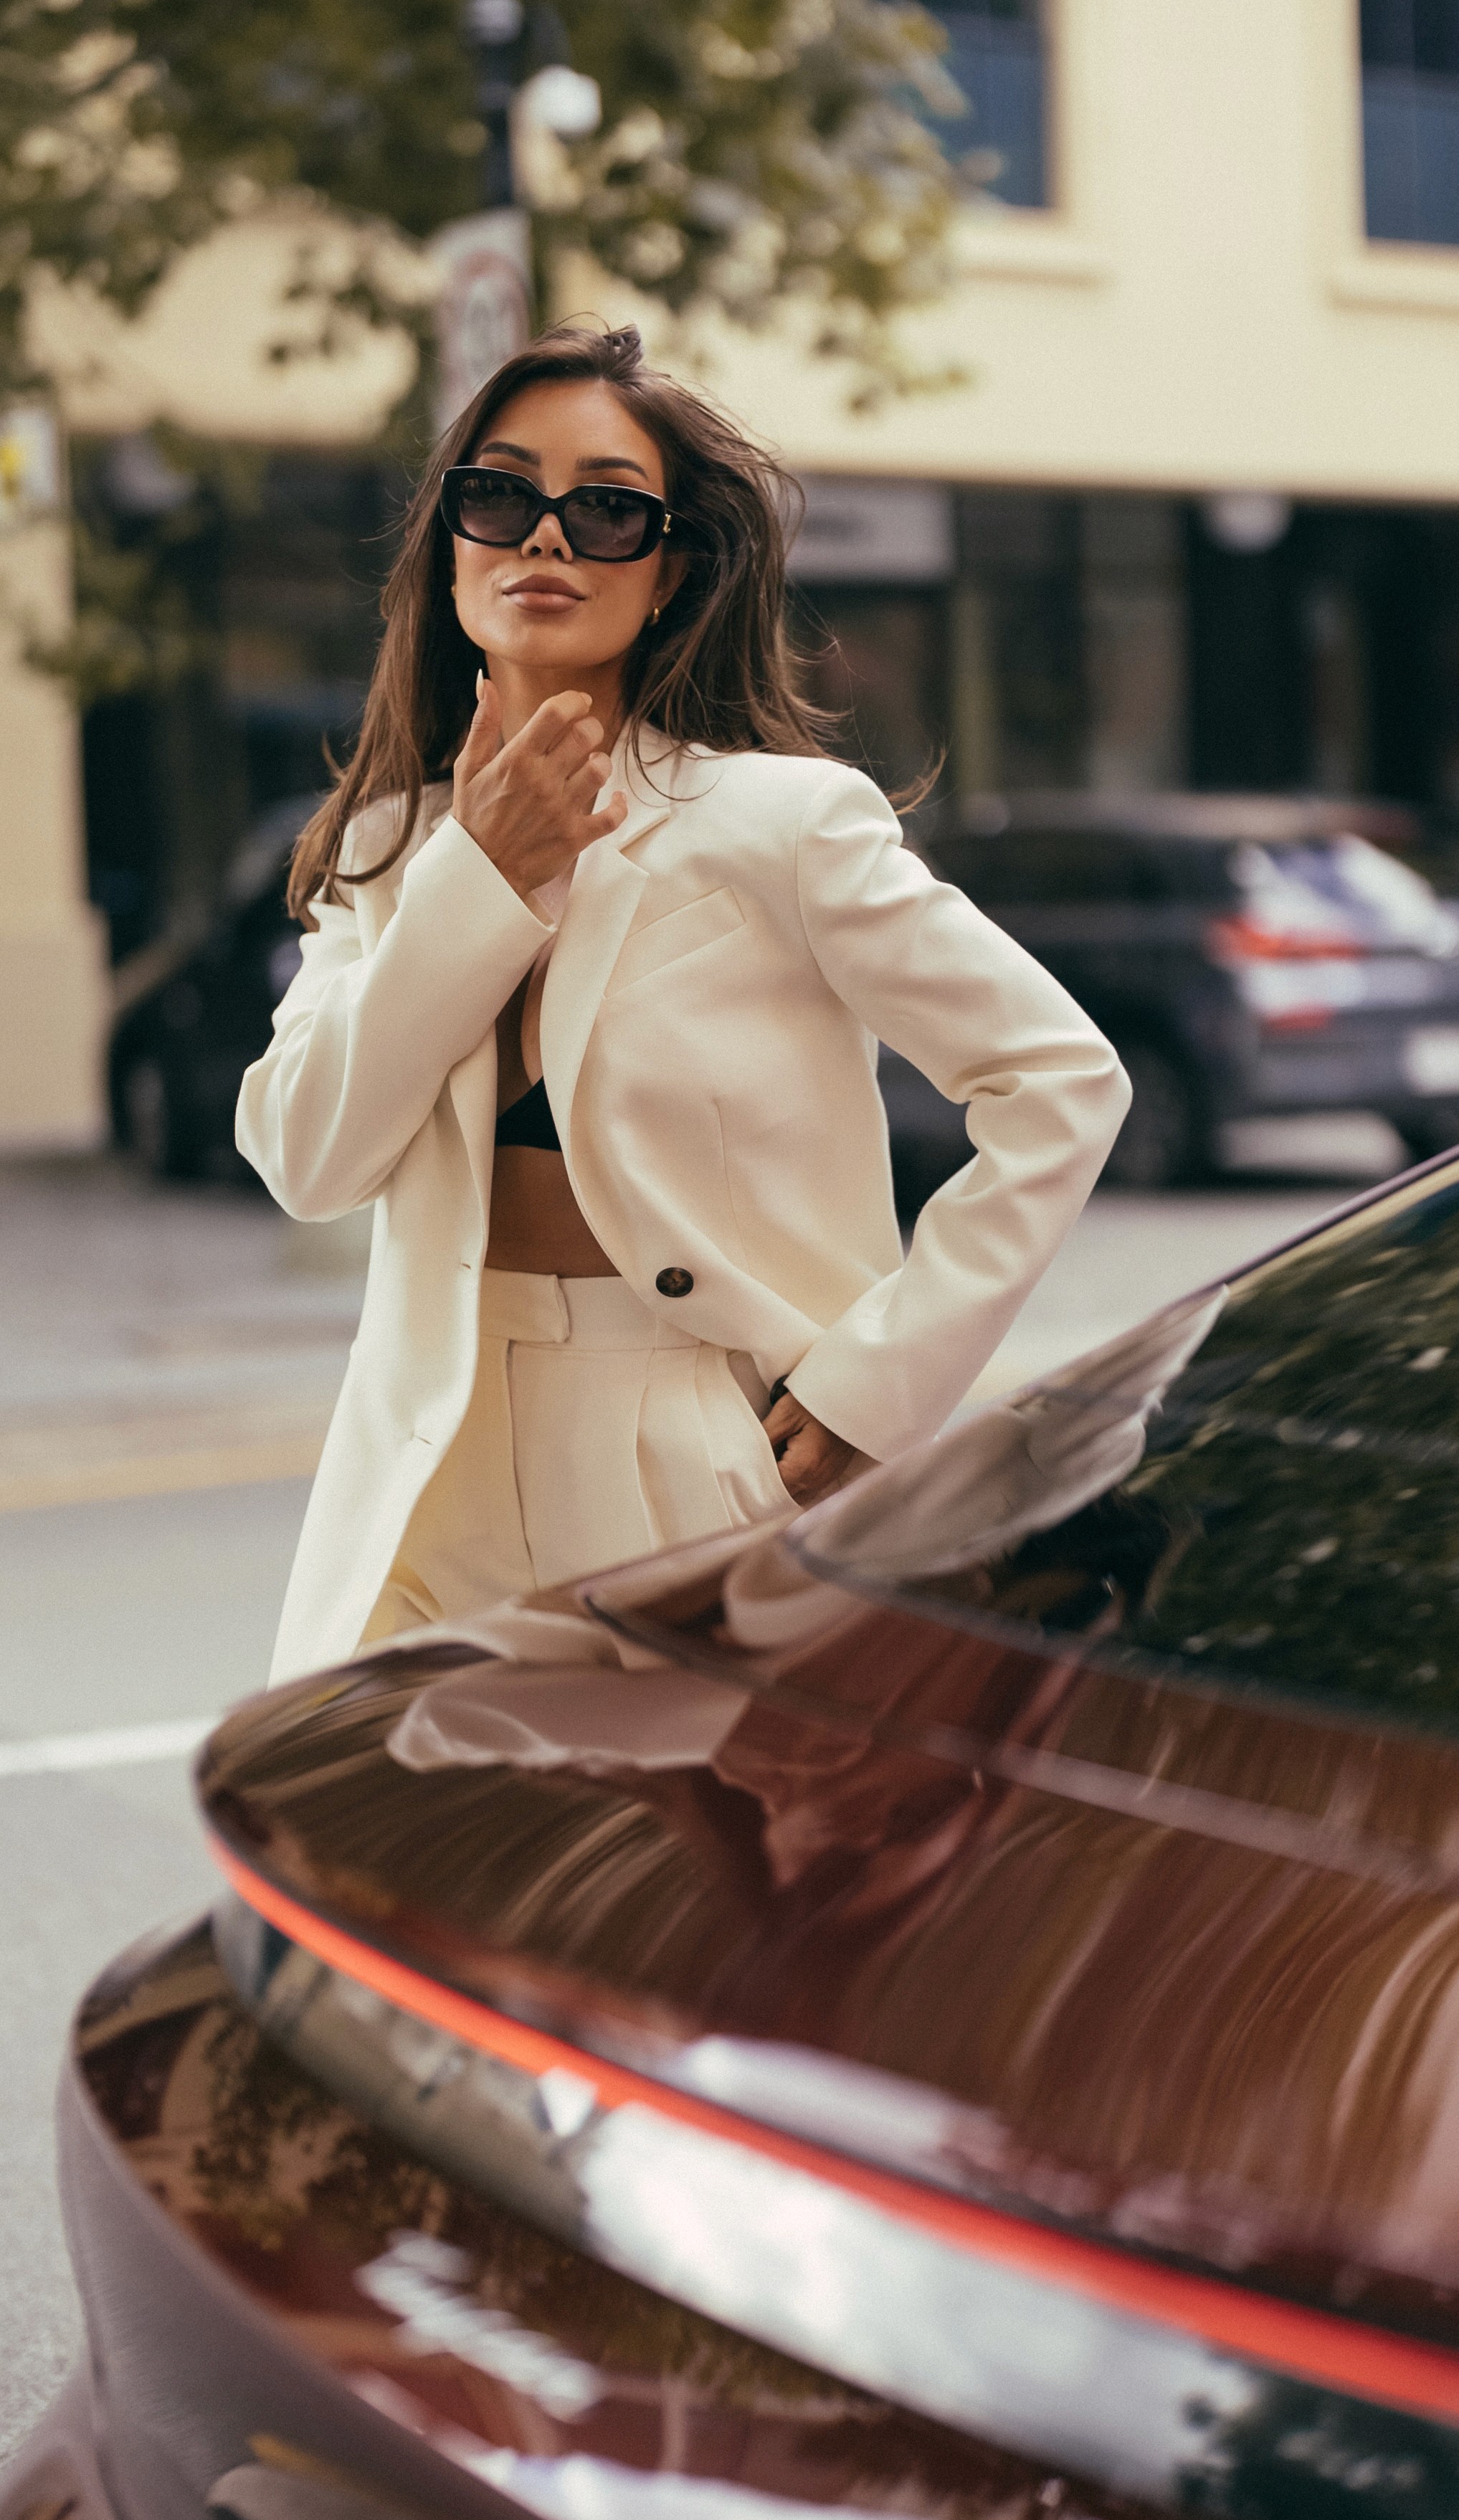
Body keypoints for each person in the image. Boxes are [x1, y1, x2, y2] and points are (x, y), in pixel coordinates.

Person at [238, 321, 1130, 1683]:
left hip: (694, 1451)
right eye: (500, 495)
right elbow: (310, 1161)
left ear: (667, 573)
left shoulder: (782, 826)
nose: (547, 535)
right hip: (428, 1465)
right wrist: (478, 875)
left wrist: (883, 1377)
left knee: (694, 1826)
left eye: (607, 509)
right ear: (451, 547)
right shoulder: (388, 849)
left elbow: (1061, 1080)